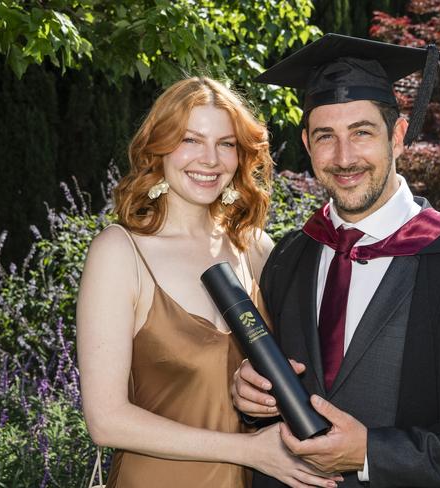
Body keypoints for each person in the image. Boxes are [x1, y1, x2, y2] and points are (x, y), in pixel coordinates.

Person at [232, 34, 440, 487]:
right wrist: (250, 397)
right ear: (307, 143)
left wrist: (371, 454)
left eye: (362, 132)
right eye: (326, 136)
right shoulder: (290, 258)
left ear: (399, 136)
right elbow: (267, 395)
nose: (344, 157)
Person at [76, 76, 342, 488]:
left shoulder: (254, 248)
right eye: (190, 140)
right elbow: (106, 421)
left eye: (226, 143)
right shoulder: (120, 252)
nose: (210, 159)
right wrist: (250, 451)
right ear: (158, 147)